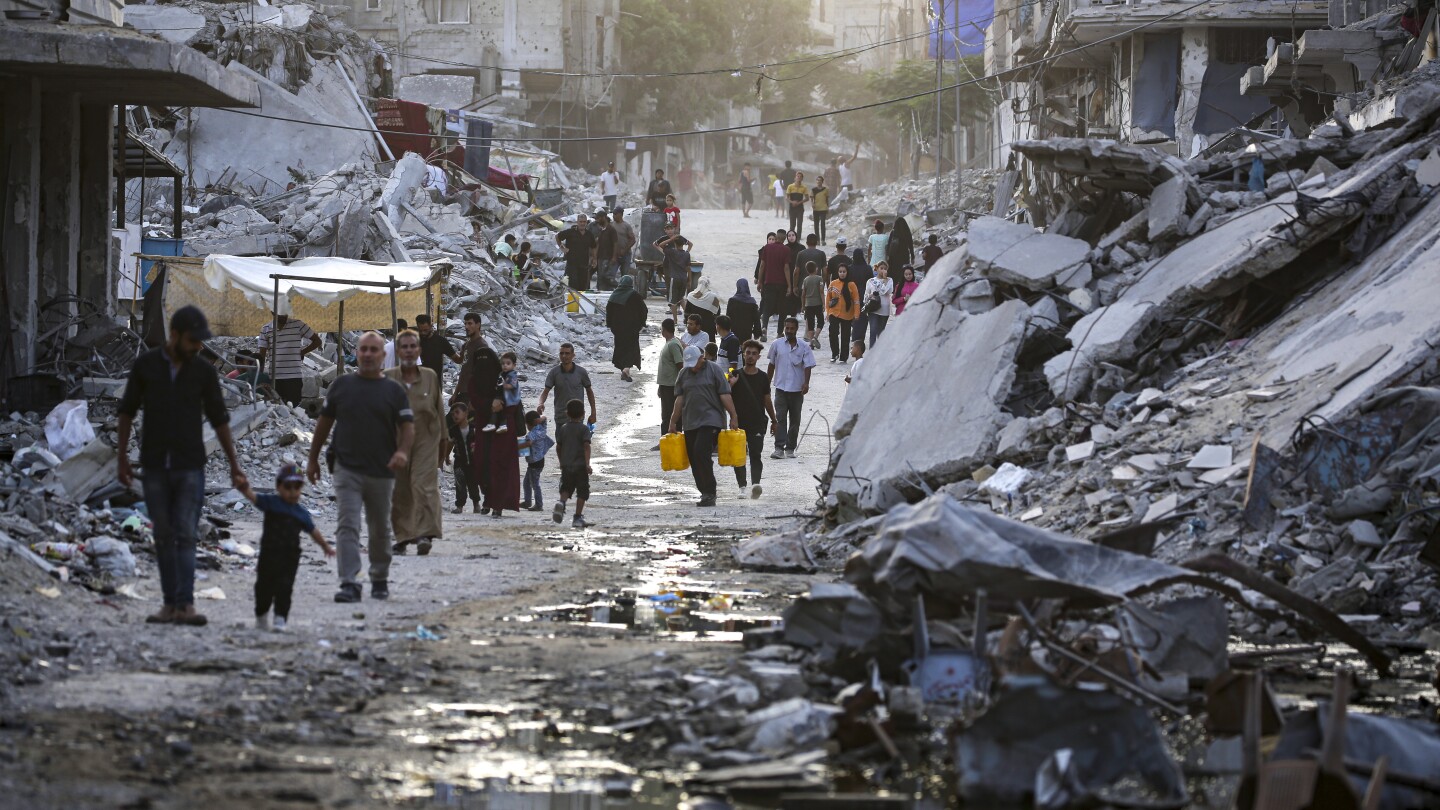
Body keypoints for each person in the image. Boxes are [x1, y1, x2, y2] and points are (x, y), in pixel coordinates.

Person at [118, 305, 247, 627]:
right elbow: (127, 411)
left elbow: (219, 419)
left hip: (190, 464)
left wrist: (234, 464)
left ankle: (186, 605)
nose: (199, 347)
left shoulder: (202, 371)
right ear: (174, 336)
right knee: (163, 535)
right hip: (154, 464)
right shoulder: (146, 366)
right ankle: (169, 605)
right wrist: (121, 457)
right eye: (193, 341)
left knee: (186, 534)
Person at [308, 331, 415, 604]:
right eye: (363, 349)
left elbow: (407, 426)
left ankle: (379, 577)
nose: (367, 354)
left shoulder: (394, 390)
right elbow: (324, 424)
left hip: (382, 470)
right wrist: (312, 458)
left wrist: (402, 451)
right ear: (356, 353)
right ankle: (349, 582)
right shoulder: (342, 386)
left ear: (382, 356)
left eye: (373, 350)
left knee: (379, 527)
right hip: (347, 468)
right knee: (348, 525)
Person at [238, 463, 334, 630]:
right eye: (288, 487)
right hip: (268, 554)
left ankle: (280, 618)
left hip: (290, 557)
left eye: (297, 487)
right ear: (278, 486)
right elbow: (253, 497)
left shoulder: (300, 512)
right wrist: (244, 488)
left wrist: (325, 546)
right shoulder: (271, 503)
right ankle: (261, 614)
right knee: (263, 586)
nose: (292, 492)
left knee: (285, 587)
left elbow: (313, 531)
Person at [385, 330, 446, 555]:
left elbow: (439, 409)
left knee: (422, 484)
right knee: (399, 489)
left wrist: (444, 442)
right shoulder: (388, 378)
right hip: (397, 440)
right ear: (398, 352)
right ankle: (403, 536)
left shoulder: (430, 376)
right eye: (405, 347)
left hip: (426, 439)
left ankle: (425, 534)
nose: (409, 351)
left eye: (413, 347)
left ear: (419, 351)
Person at [669, 344, 740, 507]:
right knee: (693, 457)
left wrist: (733, 416)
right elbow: (679, 399)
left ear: (702, 357)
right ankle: (704, 492)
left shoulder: (714, 370)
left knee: (701, 451)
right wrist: (673, 421)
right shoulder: (683, 373)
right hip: (690, 422)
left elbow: (725, 395)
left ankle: (710, 492)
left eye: (696, 362)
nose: (693, 367)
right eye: (690, 364)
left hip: (712, 419)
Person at [462, 323, 520, 518]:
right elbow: (476, 400)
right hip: (482, 427)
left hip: (504, 428)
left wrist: (501, 404)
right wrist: (491, 405)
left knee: (501, 465)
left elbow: (513, 401)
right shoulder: (474, 381)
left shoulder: (502, 378)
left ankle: (498, 504)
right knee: (482, 463)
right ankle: (487, 499)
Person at [731, 339, 777, 498]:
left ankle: (755, 485)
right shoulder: (735, 375)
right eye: (748, 353)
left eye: (754, 354)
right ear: (743, 355)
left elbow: (767, 401)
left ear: (758, 357)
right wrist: (730, 385)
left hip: (757, 422)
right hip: (738, 423)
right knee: (739, 456)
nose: (750, 356)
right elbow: (724, 397)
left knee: (756, 454)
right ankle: (742, 487)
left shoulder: (763, 377)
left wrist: (774, 420)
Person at [766, 316, 816, 459]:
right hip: (781, 388)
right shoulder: (777, 344)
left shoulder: (804, 346)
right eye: (787, 328)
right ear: (784, 328)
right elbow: (771, 365)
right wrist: (766, 384)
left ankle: (790, 448)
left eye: (792, 328)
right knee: (780, 418)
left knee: (795, 420)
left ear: (796, 330)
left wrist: (806, 383)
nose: (789, 331)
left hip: (796, 390)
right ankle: (779, 448)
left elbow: (808, 366)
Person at [258, 313, 321, 406]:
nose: (283, 316)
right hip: (275, 377)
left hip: (294, 376)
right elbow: (261, 356)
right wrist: (260, 376)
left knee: (294, 408)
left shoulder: (298, 325)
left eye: (285, 313)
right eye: (280, 314)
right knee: (277, 408)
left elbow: (317, 341)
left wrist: (302, 352)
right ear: (273, 312)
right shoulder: (266, 329)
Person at [552, 399, 592, 528]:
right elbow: (586, 446)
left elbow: (558, 447)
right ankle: (577, 517)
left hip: (567, 465)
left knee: (566, 488)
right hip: (580, 466)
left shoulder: (563, 428)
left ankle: (562, 503)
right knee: (582, 492)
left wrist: (561, 461)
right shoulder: (584, 429)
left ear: (567, 413)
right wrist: (587, 464)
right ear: (583, 414)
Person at [537, 343, 597, 428]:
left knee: (578, 440)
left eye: (567, 353)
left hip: (577, 417)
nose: (564, 356)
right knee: (561, 441)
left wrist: (593, 413)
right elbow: (545, 391)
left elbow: (589, 392)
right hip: (560, 417)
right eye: (561, 353)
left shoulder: (581, 372)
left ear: (573, 355)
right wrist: (540, 403)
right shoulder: (554, 372)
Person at [606, 275, 647, 382]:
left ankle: (624, 369)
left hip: (617, 328)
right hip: (632, 328)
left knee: (620, 347)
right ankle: (626, 369)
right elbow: (644, 310)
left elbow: (608, 312)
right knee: (631, 348)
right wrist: (642, 323)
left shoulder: (614, 295)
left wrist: (610, 324)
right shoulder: (635, 295)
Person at [755, 232, 792, 339]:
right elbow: (786, 268)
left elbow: (762, 265)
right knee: (782, 309)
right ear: (785, 238)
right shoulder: (786, 250)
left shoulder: (767, 248)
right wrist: (789, 285)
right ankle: (780, 332)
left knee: (767, 307)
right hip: (782, 284)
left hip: (769, 282)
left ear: (776, 237)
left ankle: (764, 327)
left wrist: (760, 281)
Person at [654, 224, 693, 322]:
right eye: (667, 229)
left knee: (673, 290)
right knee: (674, 291)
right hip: (671, 267)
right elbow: (655, 244)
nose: (670, 231)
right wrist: (685, 254)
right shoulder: (665, 240)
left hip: (674, 272)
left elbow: (690, 244)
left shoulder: (676, 243)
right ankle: (681, 312)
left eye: (671, 228)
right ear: (665, 230)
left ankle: (675, 318)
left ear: (674, 229)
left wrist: (685, 252)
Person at [447, 402, 480, 514]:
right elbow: (450, 444)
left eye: (457, 412)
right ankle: (460, 506)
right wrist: (446, 456)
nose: (454, 416)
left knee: (473, 483)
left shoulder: (474, 428)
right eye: (452, 414)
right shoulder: (453, 430)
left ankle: (476, 504)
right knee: (459, 484)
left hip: (473, 461)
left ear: (466, 413)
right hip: (459, 461)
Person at [656, 318, 684, 442]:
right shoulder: (669, 343)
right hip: (665, 384)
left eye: (662, 329)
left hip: (672, 385)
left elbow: (680, 364)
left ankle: (671, 439)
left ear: (665, 330)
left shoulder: (673, 344)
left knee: (670, 414)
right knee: (665, 414)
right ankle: (666, 439)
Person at [518, 410, 553, 512]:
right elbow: (545, 417)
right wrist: (540, 419)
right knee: (527, 482)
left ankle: (539, 504)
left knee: (534, 484)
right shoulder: (542, 428)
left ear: (530, 424)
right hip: (539, 460)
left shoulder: (532, 434)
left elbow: (528, 443)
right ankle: (527, 502)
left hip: (534, 462)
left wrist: (515, 446)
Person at [826, 265, 859, 363]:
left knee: (845, 335)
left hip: (847, 314)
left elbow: (856, 300)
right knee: (833, 333)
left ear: (847, 272)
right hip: (834, 313)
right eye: (840, 271)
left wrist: (856, 314)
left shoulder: (851, 285)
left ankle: (843, 357)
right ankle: (834, 353)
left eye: (844, 271)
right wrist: (827, 312)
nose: (842, 273)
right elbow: (828, 298)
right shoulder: (833, 283)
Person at [482, 351, 521, 434]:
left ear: (514, 365)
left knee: (502, 410)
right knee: (495, 409)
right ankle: (493, 423)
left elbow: (511, 385)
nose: (505, 365)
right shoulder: (502, 374)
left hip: (509, 398)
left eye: (508, 363)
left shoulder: (512, 374)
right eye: (503, 364)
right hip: (503, 396)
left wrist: (504, 385)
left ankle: (502, 424)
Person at [557, 213, 597, 292]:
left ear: (586, 222)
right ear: (577, 222)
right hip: (572, 264)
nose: (582, 223)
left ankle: (580, 303)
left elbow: (593, 246)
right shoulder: (571, 232)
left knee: (583, 286)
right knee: (573, 286)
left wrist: (594, 258)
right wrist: (563, 248)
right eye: (581, 221)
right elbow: (557, 237)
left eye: (584, 222)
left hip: (584, 264)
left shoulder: (589, 235)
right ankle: (573, 303)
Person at [414, 313, 461, 379]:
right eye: (420, 330)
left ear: (431, 326)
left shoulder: (441, 341)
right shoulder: (414, 341)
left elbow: (457, 359)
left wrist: (465, 351)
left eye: (425, 330)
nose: (422, 333)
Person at [863, 261, 894, 347]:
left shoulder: (890, 280)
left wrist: (884, 280)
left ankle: (880, 353)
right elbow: (866, 295)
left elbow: (886, 291)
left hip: (884, 309)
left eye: (885, 269)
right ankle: (872, 352)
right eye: (881, 268)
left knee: (881, 333)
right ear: (877, 268)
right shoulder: (871, 281)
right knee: (873, 330)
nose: (883, 270)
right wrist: (869, 297)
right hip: (873, 309)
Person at [849, 247, 874, 346]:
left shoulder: (850, 268)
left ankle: (855, 335)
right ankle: (860, 338)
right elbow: (871, 282)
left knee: (854, 315)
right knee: (863, 317)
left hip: (852, 294)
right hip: (865, 294)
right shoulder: (868, 268)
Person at [612, 208, 638, 295]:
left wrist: (625, 249)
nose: (614, 216)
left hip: (626, 255)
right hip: (615, 255)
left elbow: (632, 240)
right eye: (613, 214)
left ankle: (624, 293)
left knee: (625, 276)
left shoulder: (626, 226)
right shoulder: (612, 225)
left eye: (615, 214)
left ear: (620, 214)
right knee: (611, 275)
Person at [593, 209, 619, 290]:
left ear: (603, 217)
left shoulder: (611, 230)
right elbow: (598, 244)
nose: (597, 221)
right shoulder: (602, 230)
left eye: (598, 218)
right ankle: (601, 291)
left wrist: (614, 257)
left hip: (608, 257)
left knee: (606, 277)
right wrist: (595, 257)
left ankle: (617, 287)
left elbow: (615, 243)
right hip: (601, 257)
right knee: (600, 277)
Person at [801, 262, 826, 345]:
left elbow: (803, 294)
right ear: (816, 269)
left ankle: (811, 342)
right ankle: (815, 337)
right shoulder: (819, 278)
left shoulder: (805, 280)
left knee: (810, 324)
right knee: (820, 321)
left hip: (808, 304)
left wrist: (803, 305)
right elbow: (821, 291)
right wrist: (823, 303)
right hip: (818, 303)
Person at [786, 171, 809, 235]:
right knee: (792, 224)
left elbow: (807, 198)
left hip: (800, 207)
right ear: (795, 178)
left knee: (799, 224)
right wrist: (792, 202)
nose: (799, 178)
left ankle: (798, 238)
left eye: (800, 177)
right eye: (797, 176)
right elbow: (787, 198)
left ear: (802, 179)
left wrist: (799, 203)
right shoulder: (790, 186)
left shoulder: (804, 187)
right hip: (792, 207)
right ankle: (791, 238)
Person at [811, 175, 831, 245]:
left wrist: (828, 207)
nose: (818, 181)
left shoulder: (826, 190)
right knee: (816, 225)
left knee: (823, 224)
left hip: (823, 208)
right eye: (817, 180)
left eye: (820, 180)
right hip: (816, 209)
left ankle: (823, 240)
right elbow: (812, 199)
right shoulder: (813, 190)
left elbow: (827, 199)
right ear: (816, 181)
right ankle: (817, 240)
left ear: (822, 182)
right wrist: (812, 204)